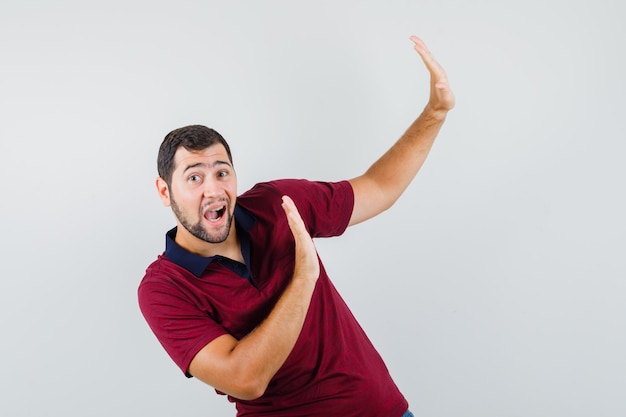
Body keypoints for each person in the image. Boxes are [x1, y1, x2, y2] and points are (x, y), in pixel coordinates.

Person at [138, 35, 455, 417]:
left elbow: (379, 188)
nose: (213, 190)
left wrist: (435, 113)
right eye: (194, 178)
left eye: (222, 172)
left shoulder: (278, 205)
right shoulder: (163, 289)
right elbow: (245, 379)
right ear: (163, 190)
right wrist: (304, 278)